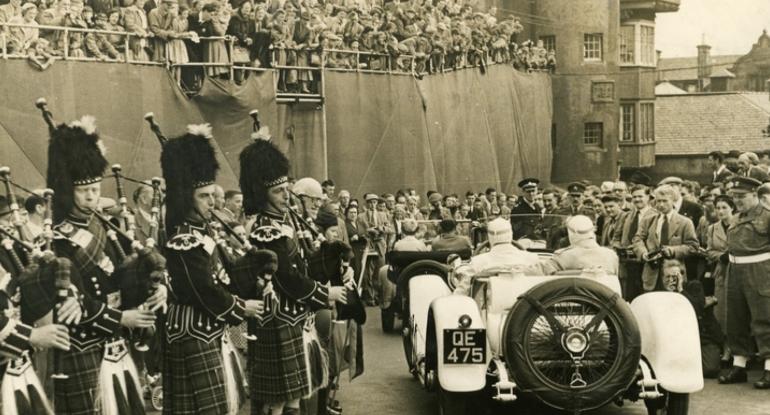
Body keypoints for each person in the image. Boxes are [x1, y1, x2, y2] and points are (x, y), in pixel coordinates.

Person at [45, 113, 165, 414]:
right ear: (66, 192)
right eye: (84, 191)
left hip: (118, 345)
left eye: (96, 189)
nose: (91, 197)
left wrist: (158, 287)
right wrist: (121, 318)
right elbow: (70, 303)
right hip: (82, 347)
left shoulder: (109, 228)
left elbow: (134, 271)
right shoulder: (56, 240)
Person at [238, 133, 347, 415]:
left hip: (294, 317)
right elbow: (287, 277)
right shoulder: (266, 228)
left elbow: (302, 263)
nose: (286, 196)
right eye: (278, 191)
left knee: (295, 396)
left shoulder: (282, 221)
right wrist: (325, 293)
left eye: (287, 189)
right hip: (278, 318)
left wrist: (332, 261)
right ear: (262, 195)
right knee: (278, 402)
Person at [159, 124, 262, 414]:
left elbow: (223, 275)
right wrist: (241, 308)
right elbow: (201, 289)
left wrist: (253, 268)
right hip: (192, 330)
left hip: (207, 328)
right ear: (187, 197)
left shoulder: (203, 231)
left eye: (211, 195)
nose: (212, 202)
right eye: (204, 196)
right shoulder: (183, 237)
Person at [718, 177, 770, 389]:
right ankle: (739, 365)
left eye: (742, 196)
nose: (737, 201)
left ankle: (769, 367)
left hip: (760, 271)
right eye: (735, 196)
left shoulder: (766, 216)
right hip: (735, 270)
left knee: (764, 318)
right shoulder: (736, 218)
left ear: (754, 195)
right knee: (736, 319)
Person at [632, 184, 698, 292]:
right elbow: (637, 239)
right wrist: (643, 253)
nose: (661, 205)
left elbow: (693, 246)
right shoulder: (648, 221)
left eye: (665, 201)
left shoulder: (685, 222)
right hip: (651, 275)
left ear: (673, 201)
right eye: (658, 201)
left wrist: (673, 250)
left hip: (674, 275)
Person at [453, 218, 538, 296]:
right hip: (525, 309)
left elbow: (460, 294)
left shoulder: (477, 262)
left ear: (489, 237)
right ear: (511, 234)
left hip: (487, 310)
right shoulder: (531, 259)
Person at [525, 215, 618, 276]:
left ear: (572, 233)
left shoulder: (564, 256)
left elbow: (534, 272)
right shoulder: (612, 256)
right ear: (592, 231)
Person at [705, 194, 735, 363]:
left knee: (737, 311)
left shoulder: (739, 224)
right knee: (721, 312)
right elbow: (708, 251)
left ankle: (742, 349)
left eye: (724, 207)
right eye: (718, 208)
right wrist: (721, 257)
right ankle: (726, 348)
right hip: (721, 272)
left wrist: (730, 255)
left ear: (732, 208)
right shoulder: (712, 228)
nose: (721, 211)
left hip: (739, 270)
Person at [613, 184, 654, 301]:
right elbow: (616, 237)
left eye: (640, 196)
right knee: (628, 296)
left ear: (648, 197)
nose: (637, 200)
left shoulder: (655, 215)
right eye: (634, 197)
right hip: (628, 263)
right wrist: (619, 247)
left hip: (646, 263)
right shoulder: (625, 215)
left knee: (645, 297)